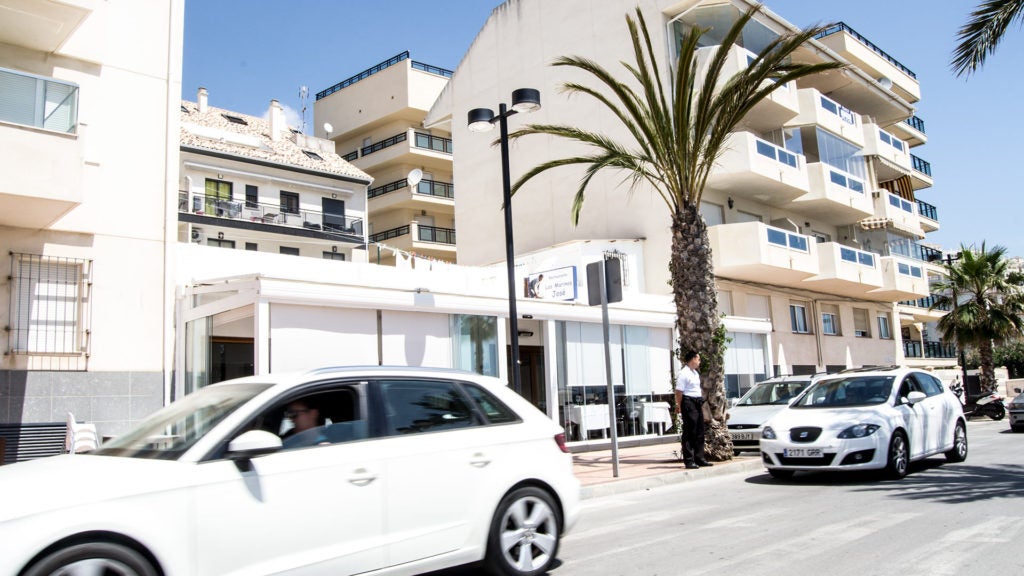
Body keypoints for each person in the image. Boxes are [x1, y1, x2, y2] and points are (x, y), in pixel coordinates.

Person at [674, 350, 712, 469]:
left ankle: (699, 458)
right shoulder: (683, 373)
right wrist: (679, 405)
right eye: (698, 359)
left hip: (697, 401)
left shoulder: (695, 373)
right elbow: (679, 392)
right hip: (688, 402)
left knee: (700, 430)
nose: (699, 361)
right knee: (690, 431)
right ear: (693, 359)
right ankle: (689, 460)